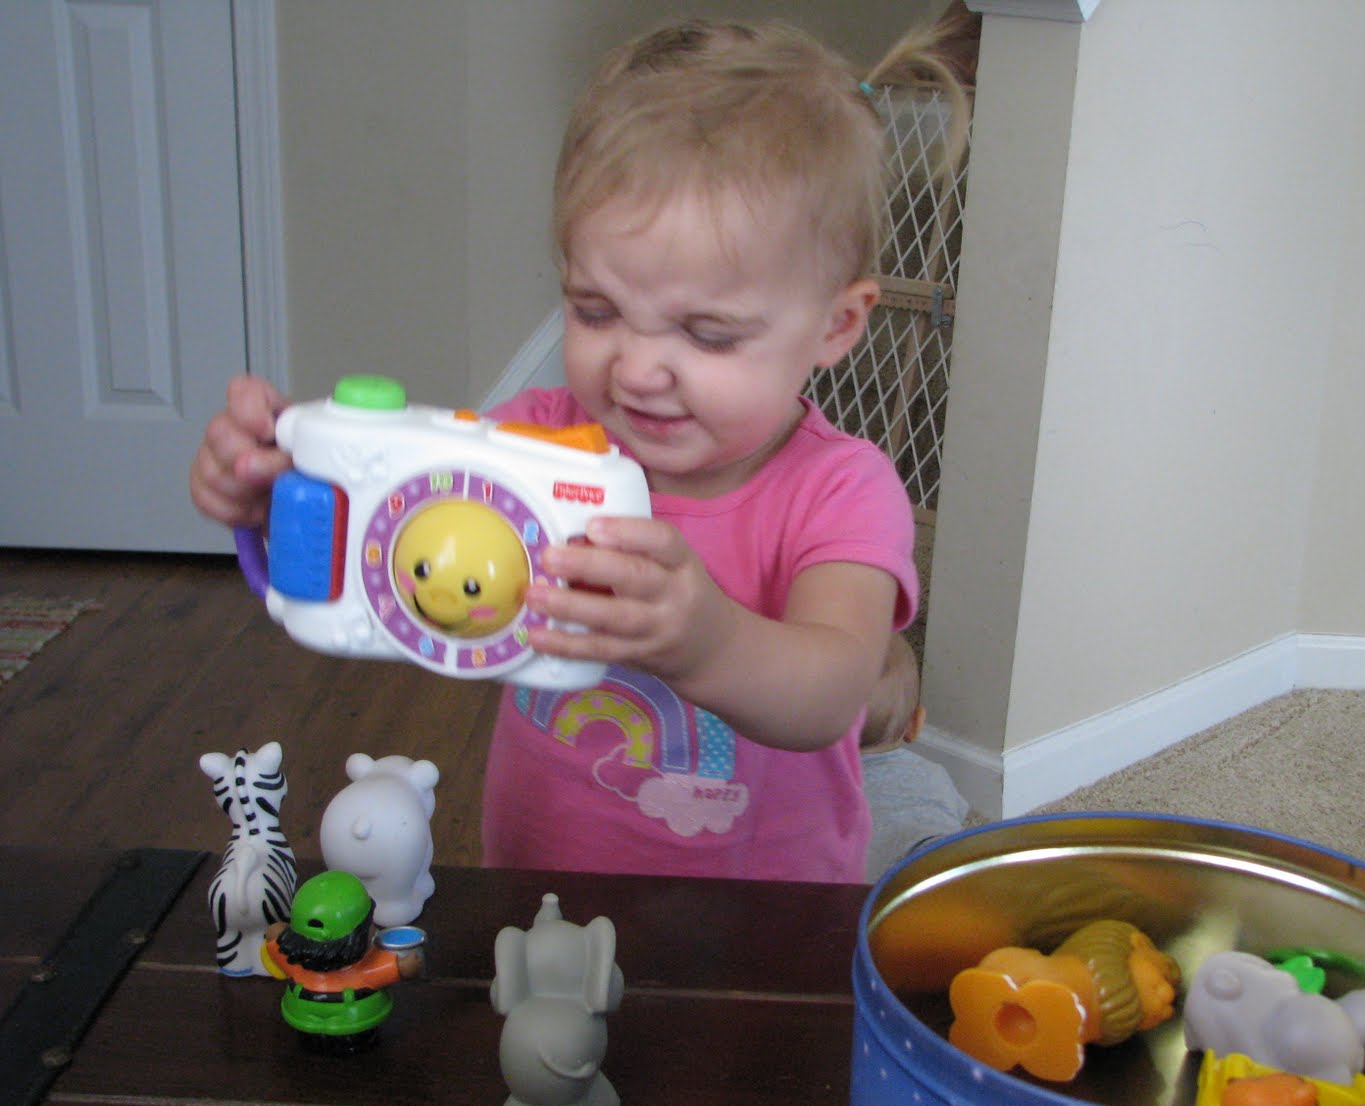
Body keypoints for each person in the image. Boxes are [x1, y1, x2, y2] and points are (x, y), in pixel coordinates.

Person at [188, 17, 971, 884]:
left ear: (836, 325)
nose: (635, 369)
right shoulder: (533, 440)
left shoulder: (840, 490)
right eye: (595, 311)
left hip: (761, 911)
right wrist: (281, 497)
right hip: (537, 879)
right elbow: (400, 547)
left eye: (707, 334)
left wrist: (708, 644)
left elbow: (836, 690)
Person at [860, 633, 969, 881]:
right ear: (916, 724)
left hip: (862, 893)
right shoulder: (933, 775)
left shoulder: (805, 787)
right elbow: (956, 815)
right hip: (940, 875)